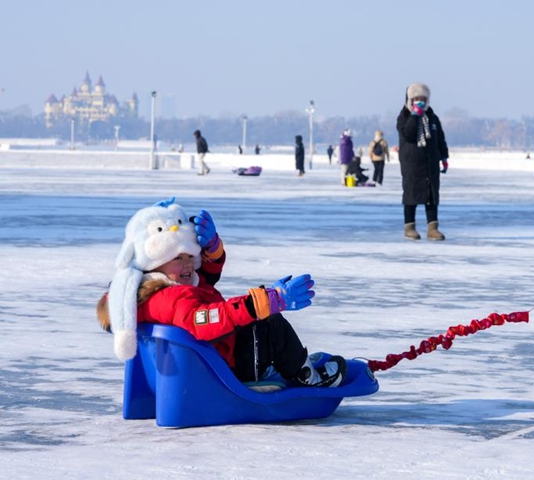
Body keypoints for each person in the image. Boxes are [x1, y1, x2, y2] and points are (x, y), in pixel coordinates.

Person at [96, 197, 346, 389]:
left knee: (258, 318)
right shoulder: (175, 297)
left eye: (189, 256)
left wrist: (212, 248)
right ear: (154, 263)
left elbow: (205, 281)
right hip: (225, 369)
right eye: (176, 257)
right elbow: (205, 321)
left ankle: (288, 362)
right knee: (270, 325)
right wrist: (266, 302)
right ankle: (305, 376)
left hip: (208, 362)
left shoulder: (152, 292)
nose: (187, 264)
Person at [397, 82, 449, 241]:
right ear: (409, 100)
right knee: (411, 195)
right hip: (412, 164)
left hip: (430, 163)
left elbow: (440, 139)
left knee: (432, 196)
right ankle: (409, 227)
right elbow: (408, 134)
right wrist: (415, 116)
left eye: (423, 99)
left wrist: (444, 157)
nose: (420, 102)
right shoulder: (404, 117)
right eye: (416, 99)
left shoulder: (433, 118)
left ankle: (433, 228)